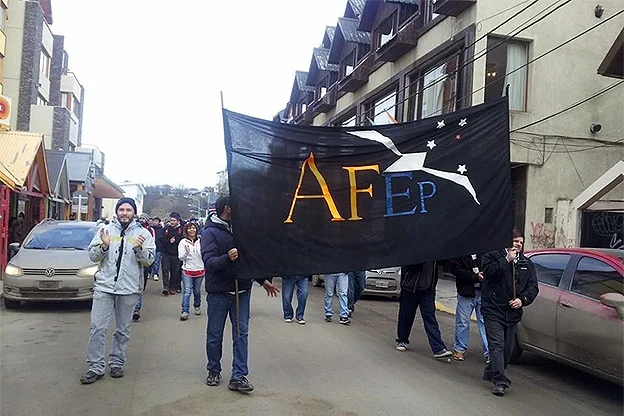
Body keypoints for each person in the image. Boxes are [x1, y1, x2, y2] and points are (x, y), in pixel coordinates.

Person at [202, 196, 279, 392]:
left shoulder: (242, 231)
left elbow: (249, 261)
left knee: (241, 334)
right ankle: (213, 369)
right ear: (228, 208)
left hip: (242, 291)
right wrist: (227, 258)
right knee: (214, 334)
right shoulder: (210, 232)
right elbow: (209, 263)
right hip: (219, 293)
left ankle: (239, 375)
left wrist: (263, 281)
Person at [80, 197, 155, 384]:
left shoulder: (144, 234)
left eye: (128, 210)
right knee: (97, 327)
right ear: (117, 212)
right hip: (104, 287)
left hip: (128, 289)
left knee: (122, 330)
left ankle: (116, 363)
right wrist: (104, 246)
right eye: (122, 209)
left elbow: (149, 261)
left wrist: (139, 249)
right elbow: (92, 255)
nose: (125, 213)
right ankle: (95, 367)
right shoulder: (105, 231)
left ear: (134, 213)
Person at [481, 229, 538, 396]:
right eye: (515, 241)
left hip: (512, 313)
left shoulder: (527, 264)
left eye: (520, 242)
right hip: (493, 309)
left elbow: (533, 287)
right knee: (496, 345)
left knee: (507, 350)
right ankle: (500, 381)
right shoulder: (491, 256)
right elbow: (489, 273)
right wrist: (506, 260)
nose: (518, 244)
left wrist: (523, 300)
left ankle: (491, 371)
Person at [395, 261, 452, 360]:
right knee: (406, 315)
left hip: (428, 289)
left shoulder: (434, 251)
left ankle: (438, 348)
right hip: (411, 287)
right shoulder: (413, 250)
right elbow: (409, 266)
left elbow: (444, 263)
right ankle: (402, 340)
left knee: (430, 318)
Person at [449, 254, 489, 362]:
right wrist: (474, 276)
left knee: (484, 322)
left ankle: (489, 352)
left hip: (483, 292)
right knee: (462, 321)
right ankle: (459, 349)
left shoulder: (484, 251)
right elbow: (455, 269)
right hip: (466, 292)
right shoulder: (460, 252)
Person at [178, 222, 205, 321]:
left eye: (193, 228)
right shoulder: (183, 242)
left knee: (197, 291)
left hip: (200, 270)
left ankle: (197, 305)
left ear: (196, 229)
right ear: (186, 230)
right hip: (187, 270)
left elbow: (205, 254)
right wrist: (186, 253)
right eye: (189, 228)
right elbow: (180, 257)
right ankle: (185, 311)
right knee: (187, 291)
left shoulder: (202, 241)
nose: (192, 230)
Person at [133, 214, 155, 322]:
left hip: (140, 265)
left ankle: (136, 309)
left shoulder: (146, 232)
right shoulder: (112, 231)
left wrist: (139, 249)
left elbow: (150, 256)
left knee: (139, 286)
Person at [160, 212, 184, 295]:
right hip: (166, 253)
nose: (172, 222)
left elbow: (183, 241)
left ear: (178, 221)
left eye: (174, 220)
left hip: (176, 254)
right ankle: (166, 287)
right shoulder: (166, 228)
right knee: (165, 270)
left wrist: (175, 242)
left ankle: (173, 286)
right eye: (171, 220)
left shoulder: (181, 229)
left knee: (175, 272)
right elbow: (161, 239)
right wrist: (168, 241)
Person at [151, 217, 164, 281]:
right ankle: (149, 272)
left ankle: (155, 273)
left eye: (156, 221)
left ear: (159, 222)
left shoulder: (161, 229)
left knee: (157, 261)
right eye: (154, 221)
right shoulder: (150, 229)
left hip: (159, 247)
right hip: (151, 247)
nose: (155, 222)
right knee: (150, 261)